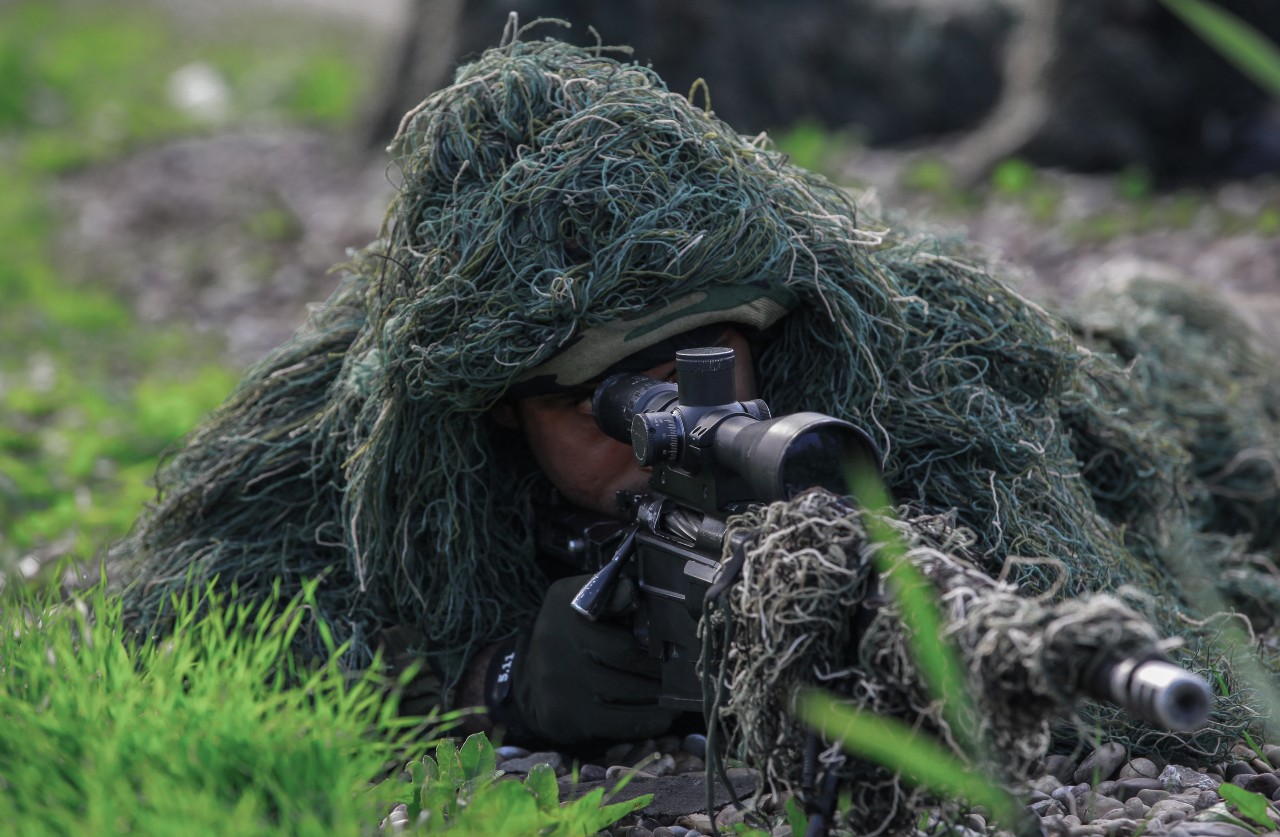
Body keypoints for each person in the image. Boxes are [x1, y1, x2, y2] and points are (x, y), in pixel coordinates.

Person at [107, 30, 1277, 751]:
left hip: (1131, 370)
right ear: (504, 410)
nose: (657, 434)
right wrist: (492, 679)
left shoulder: (905, 368)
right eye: (601, 406)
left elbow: (1102, 570)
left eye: (702, 370)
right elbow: (187, 606)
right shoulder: (394, 414)